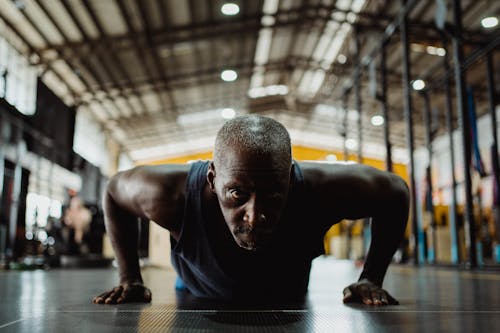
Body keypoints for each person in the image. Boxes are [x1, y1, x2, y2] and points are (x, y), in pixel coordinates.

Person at [93, 115, 409, 306]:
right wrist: (129, 277)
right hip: (197, 293)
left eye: (273, 195)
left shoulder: (319, 191)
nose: (254, 215)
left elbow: (396, 191)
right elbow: (113, 191)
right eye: (237, 194)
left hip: (287, 299)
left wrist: (371, 278)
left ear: (289, 180)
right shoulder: (170, 194)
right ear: (213, 179)